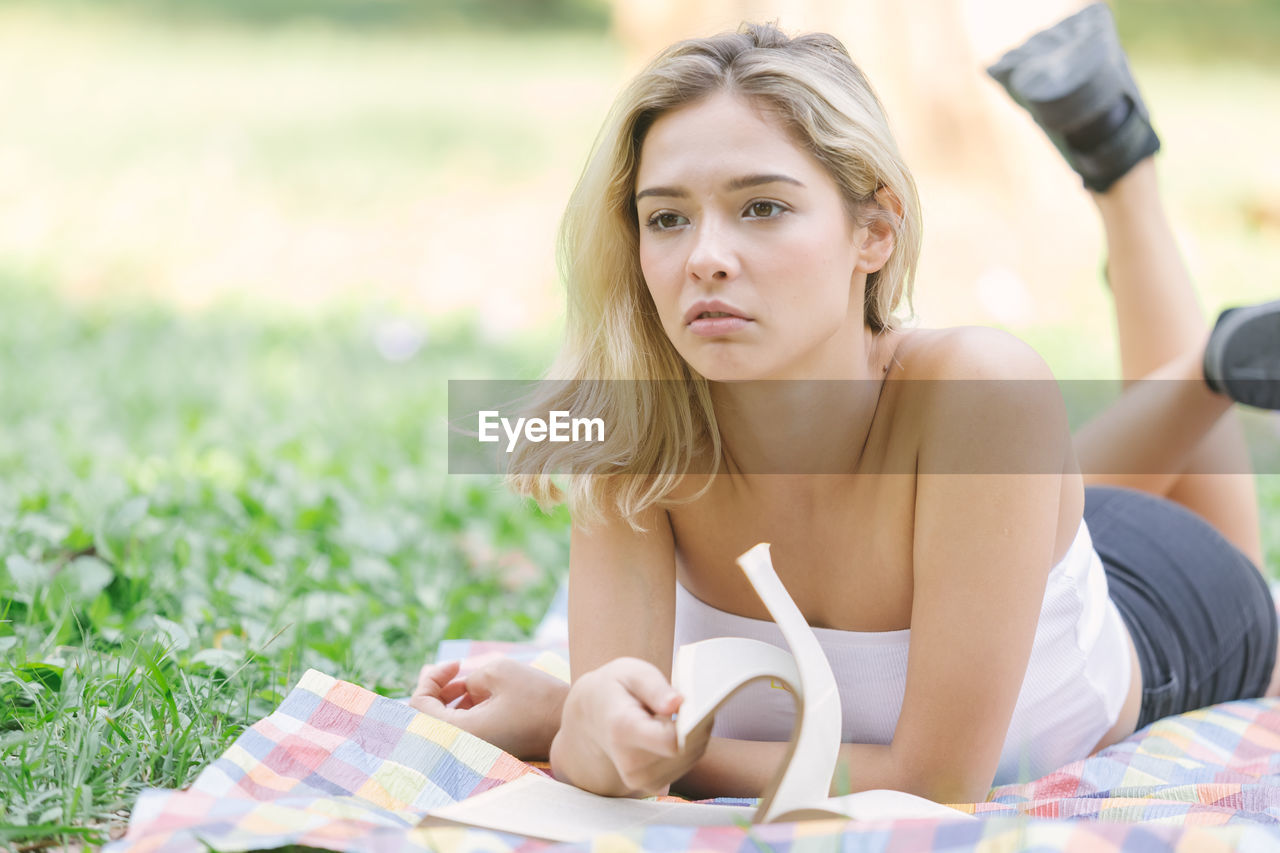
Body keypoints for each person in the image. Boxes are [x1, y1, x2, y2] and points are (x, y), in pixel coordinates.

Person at [411, 7, 1280, 804]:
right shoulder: (631, 429)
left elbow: (934, 780)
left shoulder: (979, 386)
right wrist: (589, 728)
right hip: (998, 517)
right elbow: (611, 752)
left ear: (874, 230)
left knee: (1251, 587)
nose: (706, 256)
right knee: (1035, 487)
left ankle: (1158, 260)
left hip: (1168, 603)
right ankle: (1203, 361)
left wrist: (584, 716)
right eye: (667, 219)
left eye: (762, 207)